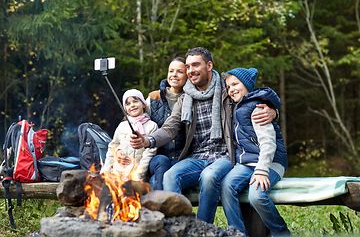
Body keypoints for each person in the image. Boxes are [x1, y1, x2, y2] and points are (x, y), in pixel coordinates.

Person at [130, 47, 276, 224]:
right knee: (170, 175)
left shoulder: (225, 87)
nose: (191, 70)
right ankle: (181, 226)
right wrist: (147, 140)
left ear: (209, 65)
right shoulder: (186, 98)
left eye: (196, 65)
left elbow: (253, 94)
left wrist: (273, 109)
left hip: (225, 155)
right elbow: (170, 127)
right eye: (188, 66)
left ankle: (202, 227)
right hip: (198, 156)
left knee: (209, 176)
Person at [221, 67, 290, 236]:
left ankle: (281, 232)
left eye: (235, 84)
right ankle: (237, 232)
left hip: (270, 163)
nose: (232, 89)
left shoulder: (258, 108)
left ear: (247, 84)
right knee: (226, 185)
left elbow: (268, 143)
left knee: (256, 196)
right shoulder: (236, 107)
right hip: (246, 163)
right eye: (229, 87)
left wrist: (261, 171)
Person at [146, 57, 187, 190]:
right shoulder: (154, 97)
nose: (174, 75)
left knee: (161, 181)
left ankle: (165, 208)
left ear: (188, 74)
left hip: (182, 158)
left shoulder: (192, 99)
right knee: (156, 179)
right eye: (171, 71)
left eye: (179, 72)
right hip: (158, 159)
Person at [101, 89, 158, 181]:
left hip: (136, 173)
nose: (132, 105)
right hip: (118, 172)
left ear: (143, 104)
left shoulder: (152, 126)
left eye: (135, 101)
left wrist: (139, 175)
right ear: (125, 109)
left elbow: (150, 153)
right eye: (128, 104)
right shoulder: (122, 125)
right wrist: (106, 170)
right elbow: (113, 146)